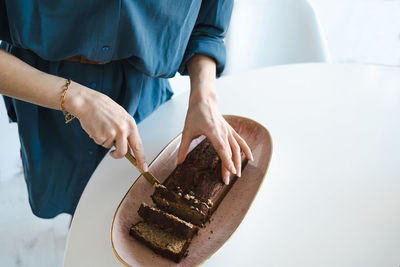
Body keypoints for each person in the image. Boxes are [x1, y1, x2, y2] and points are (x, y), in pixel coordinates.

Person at [0, 0, 253, 219]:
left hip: (145, 92)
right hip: (45, 93)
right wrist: (74, 98)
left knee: (129, 203)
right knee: (75, 205)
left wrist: (204, 96)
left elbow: (208, 26)